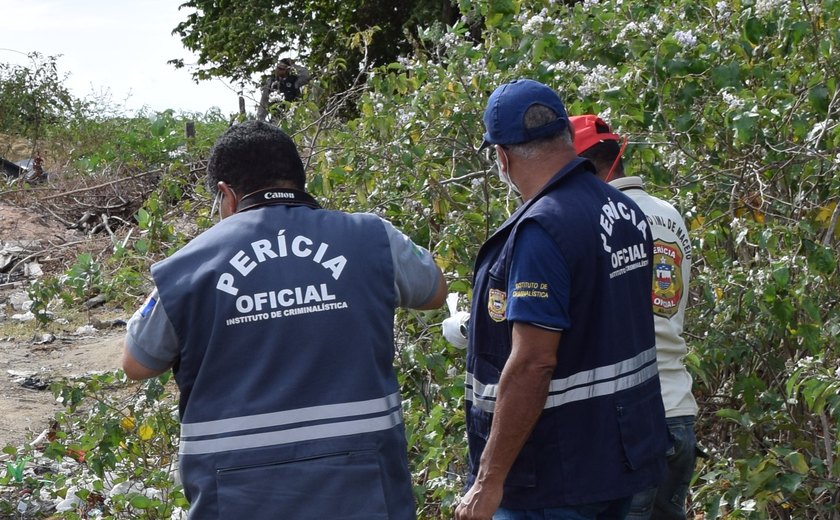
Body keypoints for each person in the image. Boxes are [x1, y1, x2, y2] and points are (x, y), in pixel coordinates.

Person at [121, 120, 447, 519]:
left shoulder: (185, 267)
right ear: (299, 180)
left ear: (226, 194)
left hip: (238, 495)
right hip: (362, 488)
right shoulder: (374, 237)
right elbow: (434, 292)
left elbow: (136, 363)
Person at [454, 79, 668, 520]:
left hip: (555, 476)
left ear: (503, 156)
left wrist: (487, 481)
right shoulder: (624, 210)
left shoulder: (540, 229)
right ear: (567, 137)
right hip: (623, 459)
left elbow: (534, 362)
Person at [570, 114, 698, 520]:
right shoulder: (670, 215)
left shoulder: (598, 219)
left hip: (629, 420)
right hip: (678, 408)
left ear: (580, 167)